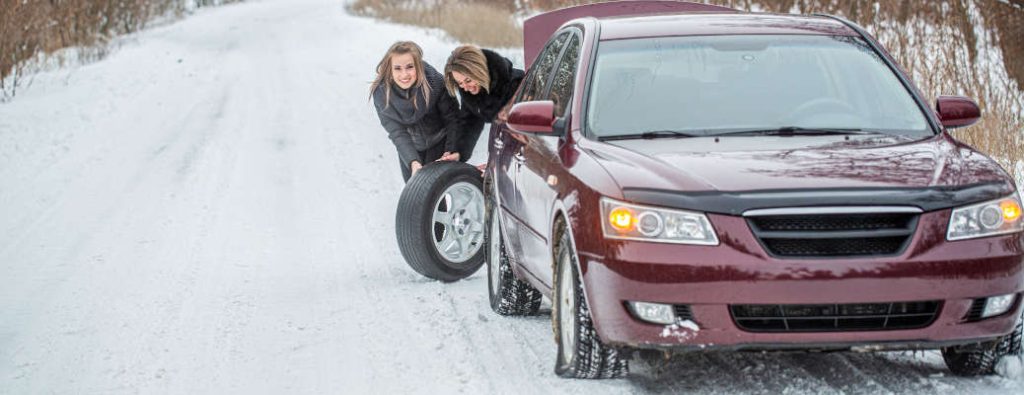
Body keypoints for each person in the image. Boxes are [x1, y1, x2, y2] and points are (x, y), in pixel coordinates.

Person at [370, 41, 463, 182]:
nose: (404, 74)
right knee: (413, 190)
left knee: (432, 188)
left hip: (439, 141)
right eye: (397, 68)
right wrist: (413, 161)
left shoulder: (435, 84)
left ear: (418, 66)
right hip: (410, 144)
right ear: (390, 69)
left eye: (409, 67)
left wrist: (451, 149)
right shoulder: (382, 95)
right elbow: (397, 132)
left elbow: (453, 118)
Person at [442, 45, 526, 162]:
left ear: (480, 72)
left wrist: (497, 163)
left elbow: (518, 131)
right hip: (504, 150)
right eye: (460, 83)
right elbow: (469, 122)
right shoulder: (471, 92)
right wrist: (458, 152)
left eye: (468, 80)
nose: (465, 87)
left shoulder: (516, 86)